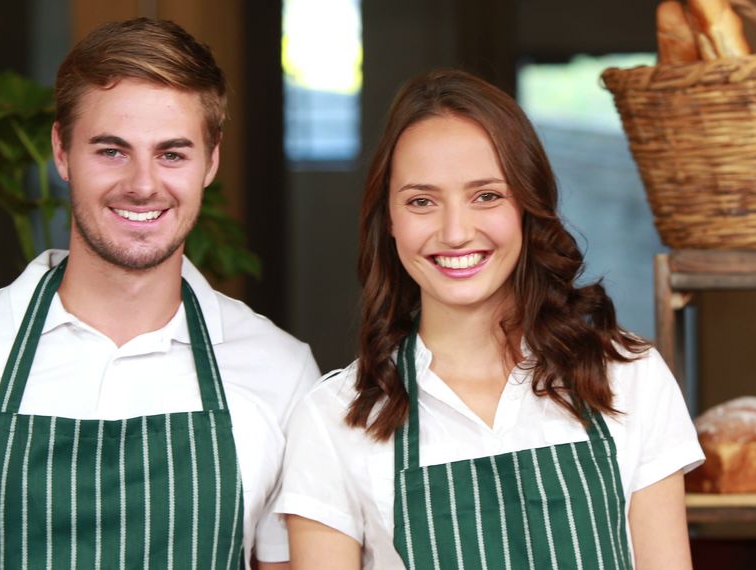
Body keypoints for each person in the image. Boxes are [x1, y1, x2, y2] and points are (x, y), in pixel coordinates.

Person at [0, 18, 319, 569]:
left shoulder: (280, 373)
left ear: (211, 161)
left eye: (172, 154)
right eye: (111, 151)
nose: (142, 183)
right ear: (62, 152)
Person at [275, 69, 703, 570]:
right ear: (388, 221)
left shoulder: (628, 377)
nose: (455, 232)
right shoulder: (334, 419)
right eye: (421, 201)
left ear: (527, 205)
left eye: (487, 195)